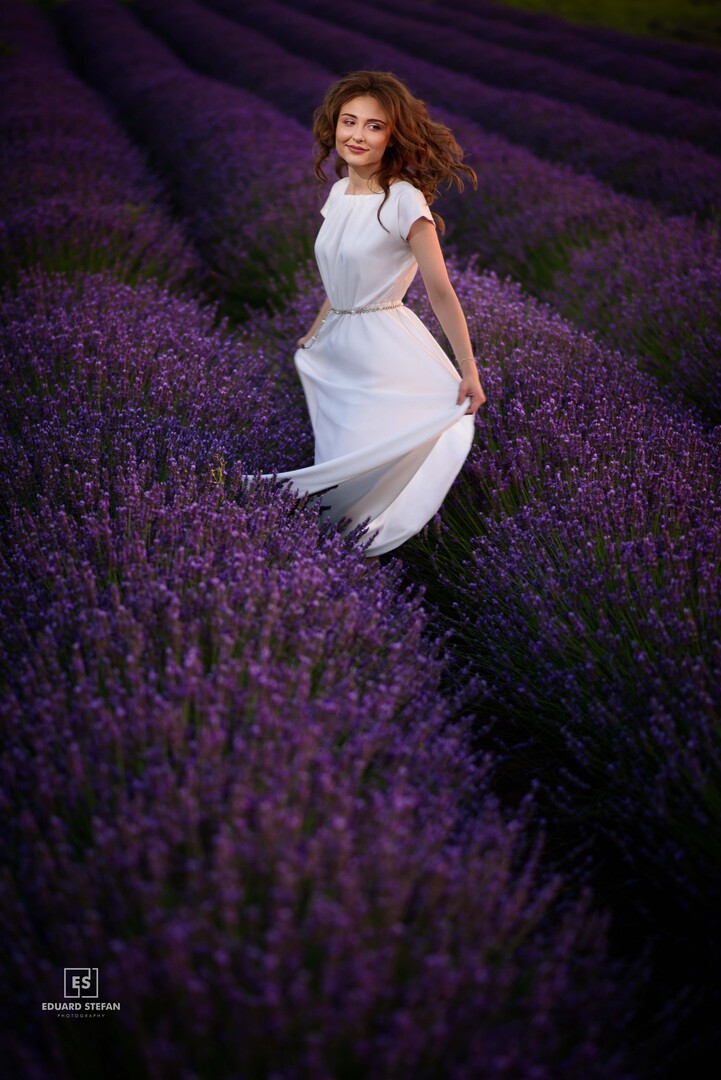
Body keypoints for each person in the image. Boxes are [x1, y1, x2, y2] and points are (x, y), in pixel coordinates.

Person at [255, 70, 486, 557]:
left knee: (362, 468)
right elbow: (339, 273)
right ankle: (331, 562)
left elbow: (441, 291)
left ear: (393, 135)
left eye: (374, 126)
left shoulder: (404, 199)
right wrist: (315, 332)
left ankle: (369, 563)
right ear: (332, 127)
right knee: (339, 462)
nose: (357, 136)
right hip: (338, 347)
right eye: (348, 122)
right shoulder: (339, 193)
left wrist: (468, 369)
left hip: (382, 347)